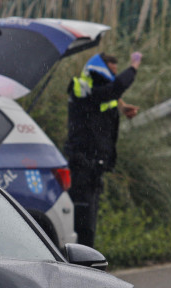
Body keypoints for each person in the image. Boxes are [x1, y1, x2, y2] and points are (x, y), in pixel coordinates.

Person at [64, 51, 142, 247]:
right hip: (82, 161)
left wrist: (122, 108)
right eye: (111, 70)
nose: (114, 75)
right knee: (83, 219)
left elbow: (109, 96)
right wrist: (133, 67)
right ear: (100, 69)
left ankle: (85, 260)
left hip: (94, 163)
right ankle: (82, 262)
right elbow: (112, 89)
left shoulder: (96, 87)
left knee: (89, 216)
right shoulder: (83, 86)